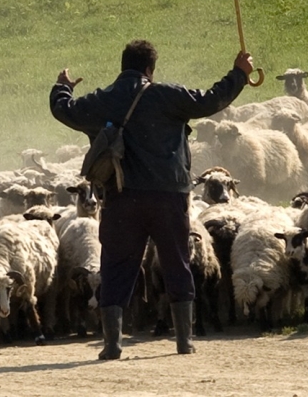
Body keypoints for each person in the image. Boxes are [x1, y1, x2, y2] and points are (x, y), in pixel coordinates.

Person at [49, 39, 254, 359]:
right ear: (150, 70)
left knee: (116, 266)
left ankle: (112, 344)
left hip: (121, 198)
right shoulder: (168, 95)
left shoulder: (104, 99)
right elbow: (211, 100)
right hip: (168, 198)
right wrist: (239, 74)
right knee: (177, 262)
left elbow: (65, 110)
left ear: (123, 67)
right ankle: (184, 340)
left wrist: (62, 87)